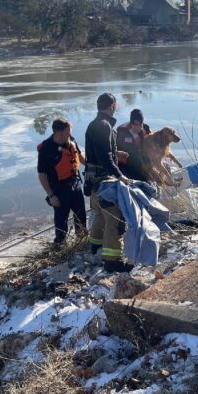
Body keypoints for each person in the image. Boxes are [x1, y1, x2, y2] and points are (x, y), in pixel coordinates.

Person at [84, 93, 134, 273]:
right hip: (105, 180)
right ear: (112, 106)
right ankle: (112, 261)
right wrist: (121, 176)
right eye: (115, 105)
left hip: (94, 180)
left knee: (99, 214)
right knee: (115, 218)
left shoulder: (94, 124)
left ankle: (95, 246)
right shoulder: (105, 126)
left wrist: (116, 153)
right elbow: (105, 158)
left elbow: (98, 152)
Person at [37, 117, 87, 246]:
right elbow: (42, 175)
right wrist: (51, 195)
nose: (69, 135)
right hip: (59, 189)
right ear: (58, 133)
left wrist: (93, 166)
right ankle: (60, 245)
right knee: (61, 220)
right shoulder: (46, 148)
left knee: (81, 216)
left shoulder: (70, 140)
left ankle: (81, 241)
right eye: (67, 132)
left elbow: (80, 157)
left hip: (75, 184)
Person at [116, 108, 151, 181]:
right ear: (131, 123)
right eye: (134, 125)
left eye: (140, 125)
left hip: (141, 159)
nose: (137, 127)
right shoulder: (122, 131)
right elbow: (130, 154)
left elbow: (152, 145)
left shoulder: (146, 128)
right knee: (143, 180)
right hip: (126, 164)